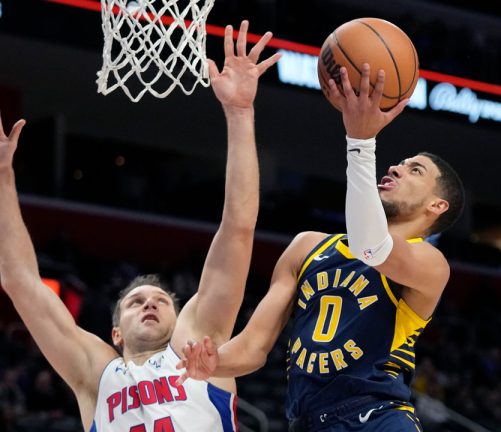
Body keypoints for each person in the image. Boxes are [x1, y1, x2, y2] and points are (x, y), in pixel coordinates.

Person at [0, 21, 280, 431]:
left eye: (161, 301)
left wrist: (240, 113)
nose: (149, 303)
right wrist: (3, 178)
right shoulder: (95, 373)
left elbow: (238, 226)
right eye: (136, 302)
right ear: (115, 333)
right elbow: (18, 279)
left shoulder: (201, 343)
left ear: (180, 315)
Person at [176, 63, 465, 431]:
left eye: (415, 171)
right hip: (308, 422)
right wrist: (213, 362)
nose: (396, 168)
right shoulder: (306, 247)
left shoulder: (430, 263)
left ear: (436, 207)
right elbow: (253, 347)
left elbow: (371, 247)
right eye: (401, 163)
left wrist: (361, 142)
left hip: (377, 417)